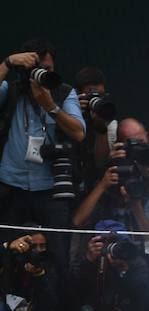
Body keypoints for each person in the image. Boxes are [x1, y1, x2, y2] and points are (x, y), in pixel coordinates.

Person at [0, 39, 86, 277]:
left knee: (58, 256)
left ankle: (60, 309)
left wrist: (51, 106)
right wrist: (7, 63)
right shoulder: (13, 90)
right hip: (12, 185)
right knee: (7, 250)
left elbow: (79, 132)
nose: (44, 74)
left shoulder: (63, 92)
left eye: (49, 69)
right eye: (38, 69)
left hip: (51, 187)